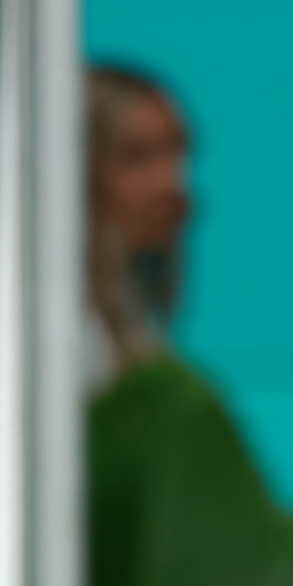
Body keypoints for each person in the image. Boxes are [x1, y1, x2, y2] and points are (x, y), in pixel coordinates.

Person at [85, 65, 190, 387]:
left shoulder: (129, 323)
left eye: (176, 154)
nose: (170, 185)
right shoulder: (51, 336)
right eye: (136, 156)